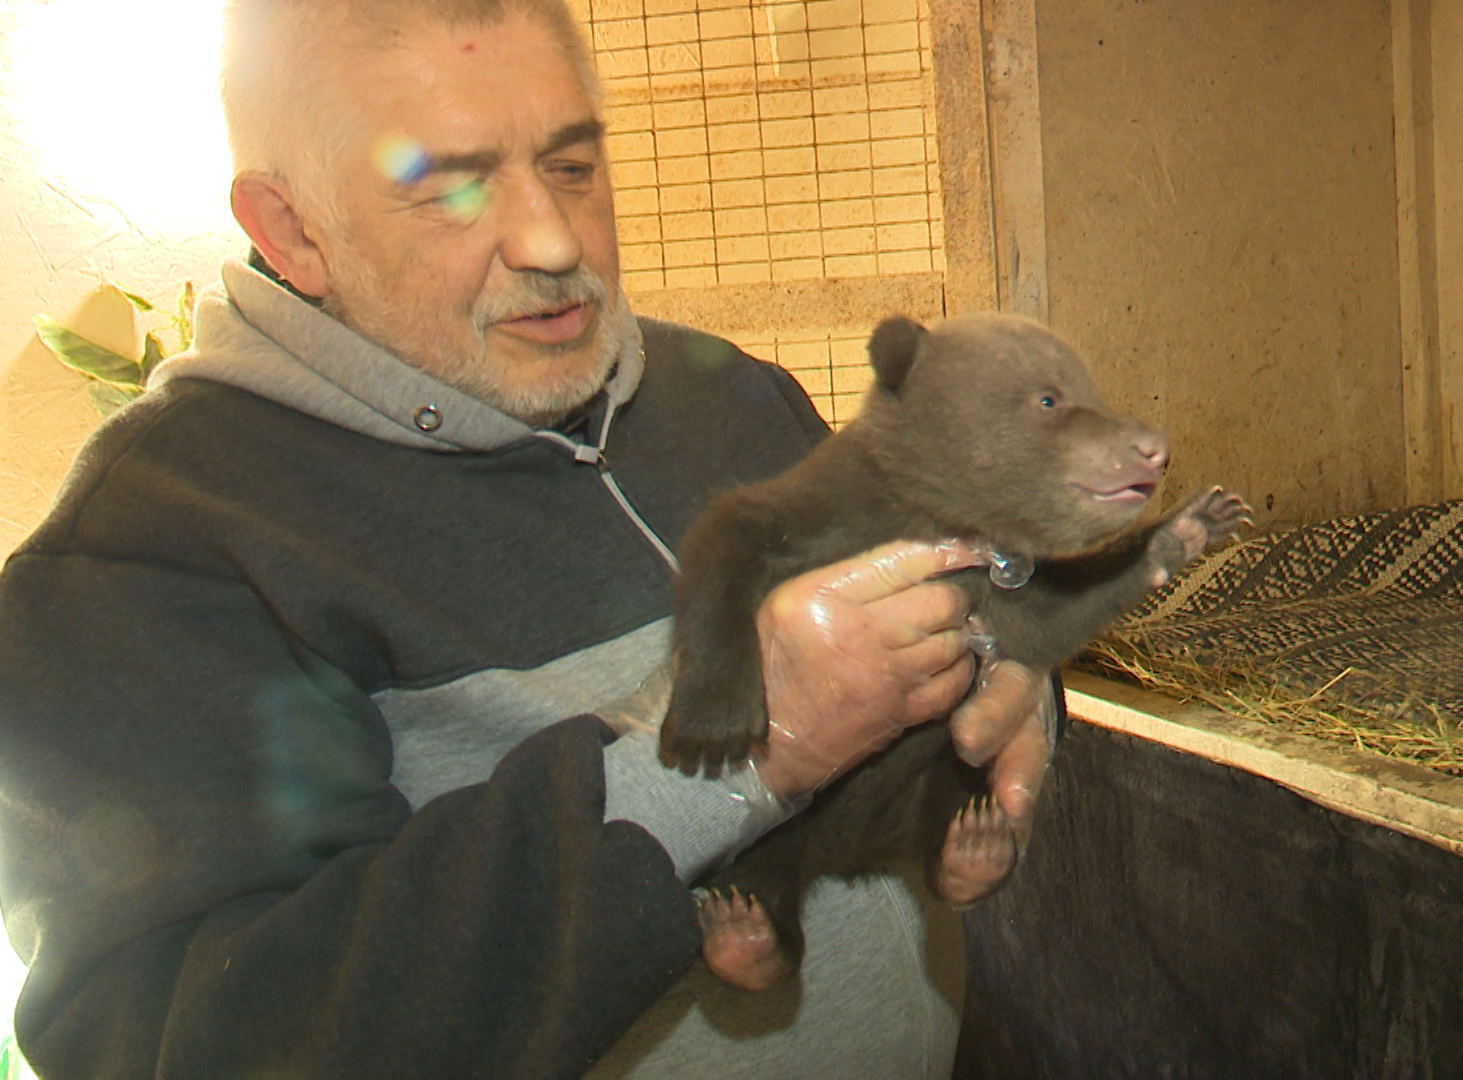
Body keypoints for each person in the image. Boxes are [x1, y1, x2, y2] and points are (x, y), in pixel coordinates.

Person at [0, 0, 1054, 1076]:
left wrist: (996, 666)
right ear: (290, 228)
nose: (553, 242)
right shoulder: (150, 556)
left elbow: (961, 617)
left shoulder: (732, 397)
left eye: (571, 167)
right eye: (451, 187)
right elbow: (193, 1046)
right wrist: (735, 756)